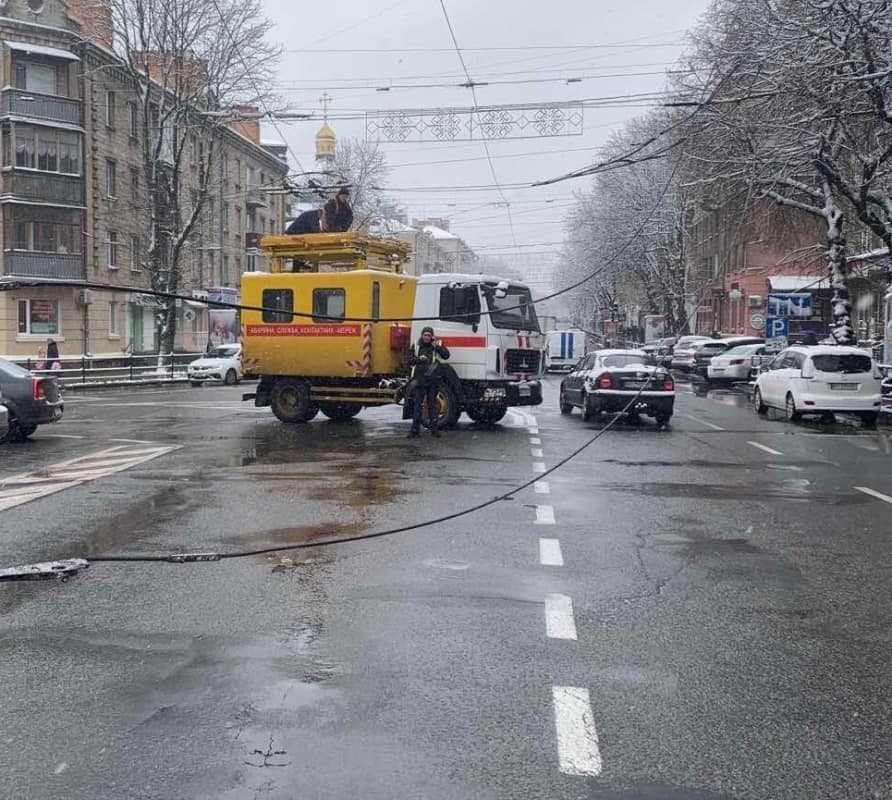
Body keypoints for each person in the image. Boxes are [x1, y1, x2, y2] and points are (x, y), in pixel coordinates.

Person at [406, 326, 450, 438]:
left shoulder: (436, 345)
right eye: (425, 335)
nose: (427, 337)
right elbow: (409, 360)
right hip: (419, 380)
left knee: (432, 406)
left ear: (432, 336)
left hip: (433, 380)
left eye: (429, 335)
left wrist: (437, 347)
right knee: (417, 406)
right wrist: (419, 359)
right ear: (422, 335)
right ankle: (415, 430)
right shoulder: (416, 345)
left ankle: (434, 430)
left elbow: (446, 356)